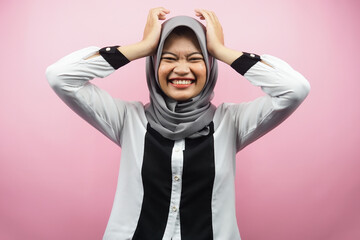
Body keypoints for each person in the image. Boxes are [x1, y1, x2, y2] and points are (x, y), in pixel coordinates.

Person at [46, 7, 310, 240]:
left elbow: (294, 89)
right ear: (154, 63)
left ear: (209, 66)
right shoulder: (128, 120)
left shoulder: (231, 123)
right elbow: (60, 77)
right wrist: (142, 47)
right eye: (168, 58)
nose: (181, 70)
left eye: (195, 59)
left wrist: (222, 51)